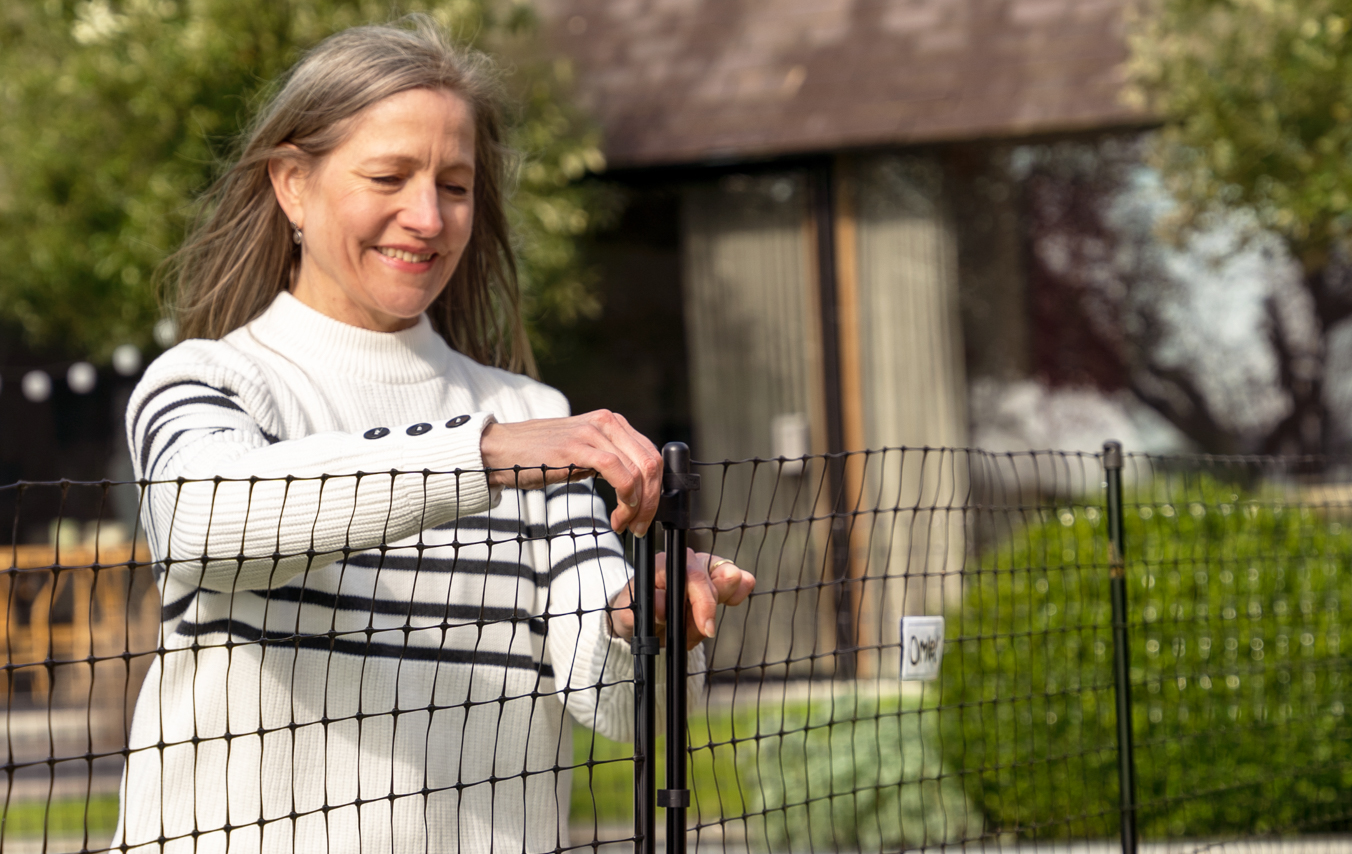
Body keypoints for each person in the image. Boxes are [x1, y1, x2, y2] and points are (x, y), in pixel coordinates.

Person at [116, 17, 754, 854]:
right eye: (389, 176)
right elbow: (202, 527)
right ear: (293, 184)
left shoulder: (531, 409)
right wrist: (483, 454)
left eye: (455, 186)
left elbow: (620, 705)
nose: (426, 216)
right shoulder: (206, 381)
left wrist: (651, 620)